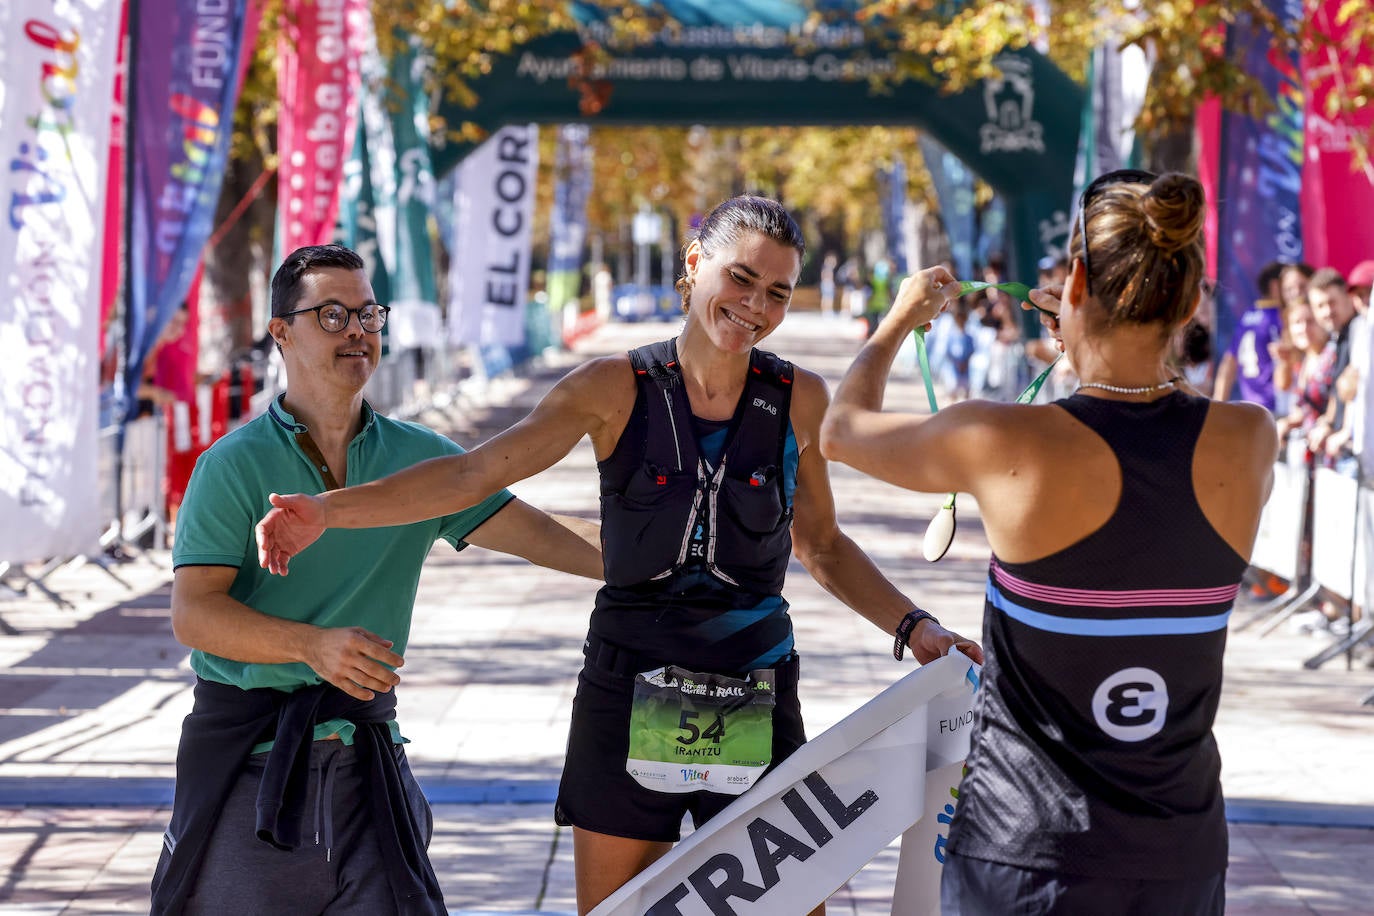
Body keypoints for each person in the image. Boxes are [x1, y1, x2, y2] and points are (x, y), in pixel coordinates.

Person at [254, 196, 982, 914]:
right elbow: (470, 475)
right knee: (618, 913)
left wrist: (914, 626)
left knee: (787, 908)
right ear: (695, 265)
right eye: (740, 279)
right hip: (629, 687)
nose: (754, 306)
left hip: (754, 690)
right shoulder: (612, 387)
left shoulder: (798, 397)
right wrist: (328, 511)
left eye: (776, 293)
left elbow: (821, 545)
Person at [821, 170, 1277, 916]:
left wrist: (900, 317)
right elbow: (1161, 418)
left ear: (1073, 284)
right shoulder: (1249, 439)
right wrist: (1092, 341)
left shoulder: (1002, 437)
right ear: (1191, 301)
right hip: (1180, 855)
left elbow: (840, 433)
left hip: (1024, 851)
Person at [151, 244, 603, 915]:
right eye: (332, 316)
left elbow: (541, 536)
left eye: (368, 314)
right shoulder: (232, 465)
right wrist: (311, 646)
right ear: (282, 332)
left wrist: (672, 561)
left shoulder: (421, 461)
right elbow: (194, 615)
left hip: (369, 766)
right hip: (251, 767)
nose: (357, 330)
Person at [1212, 260, 1285, 412]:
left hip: (1251, 406)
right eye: (1288, 285)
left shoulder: (1247, 317)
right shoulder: (1277, 317)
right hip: (1274, 406)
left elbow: (1229, 361)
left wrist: (1217, 405)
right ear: (1275, 286)